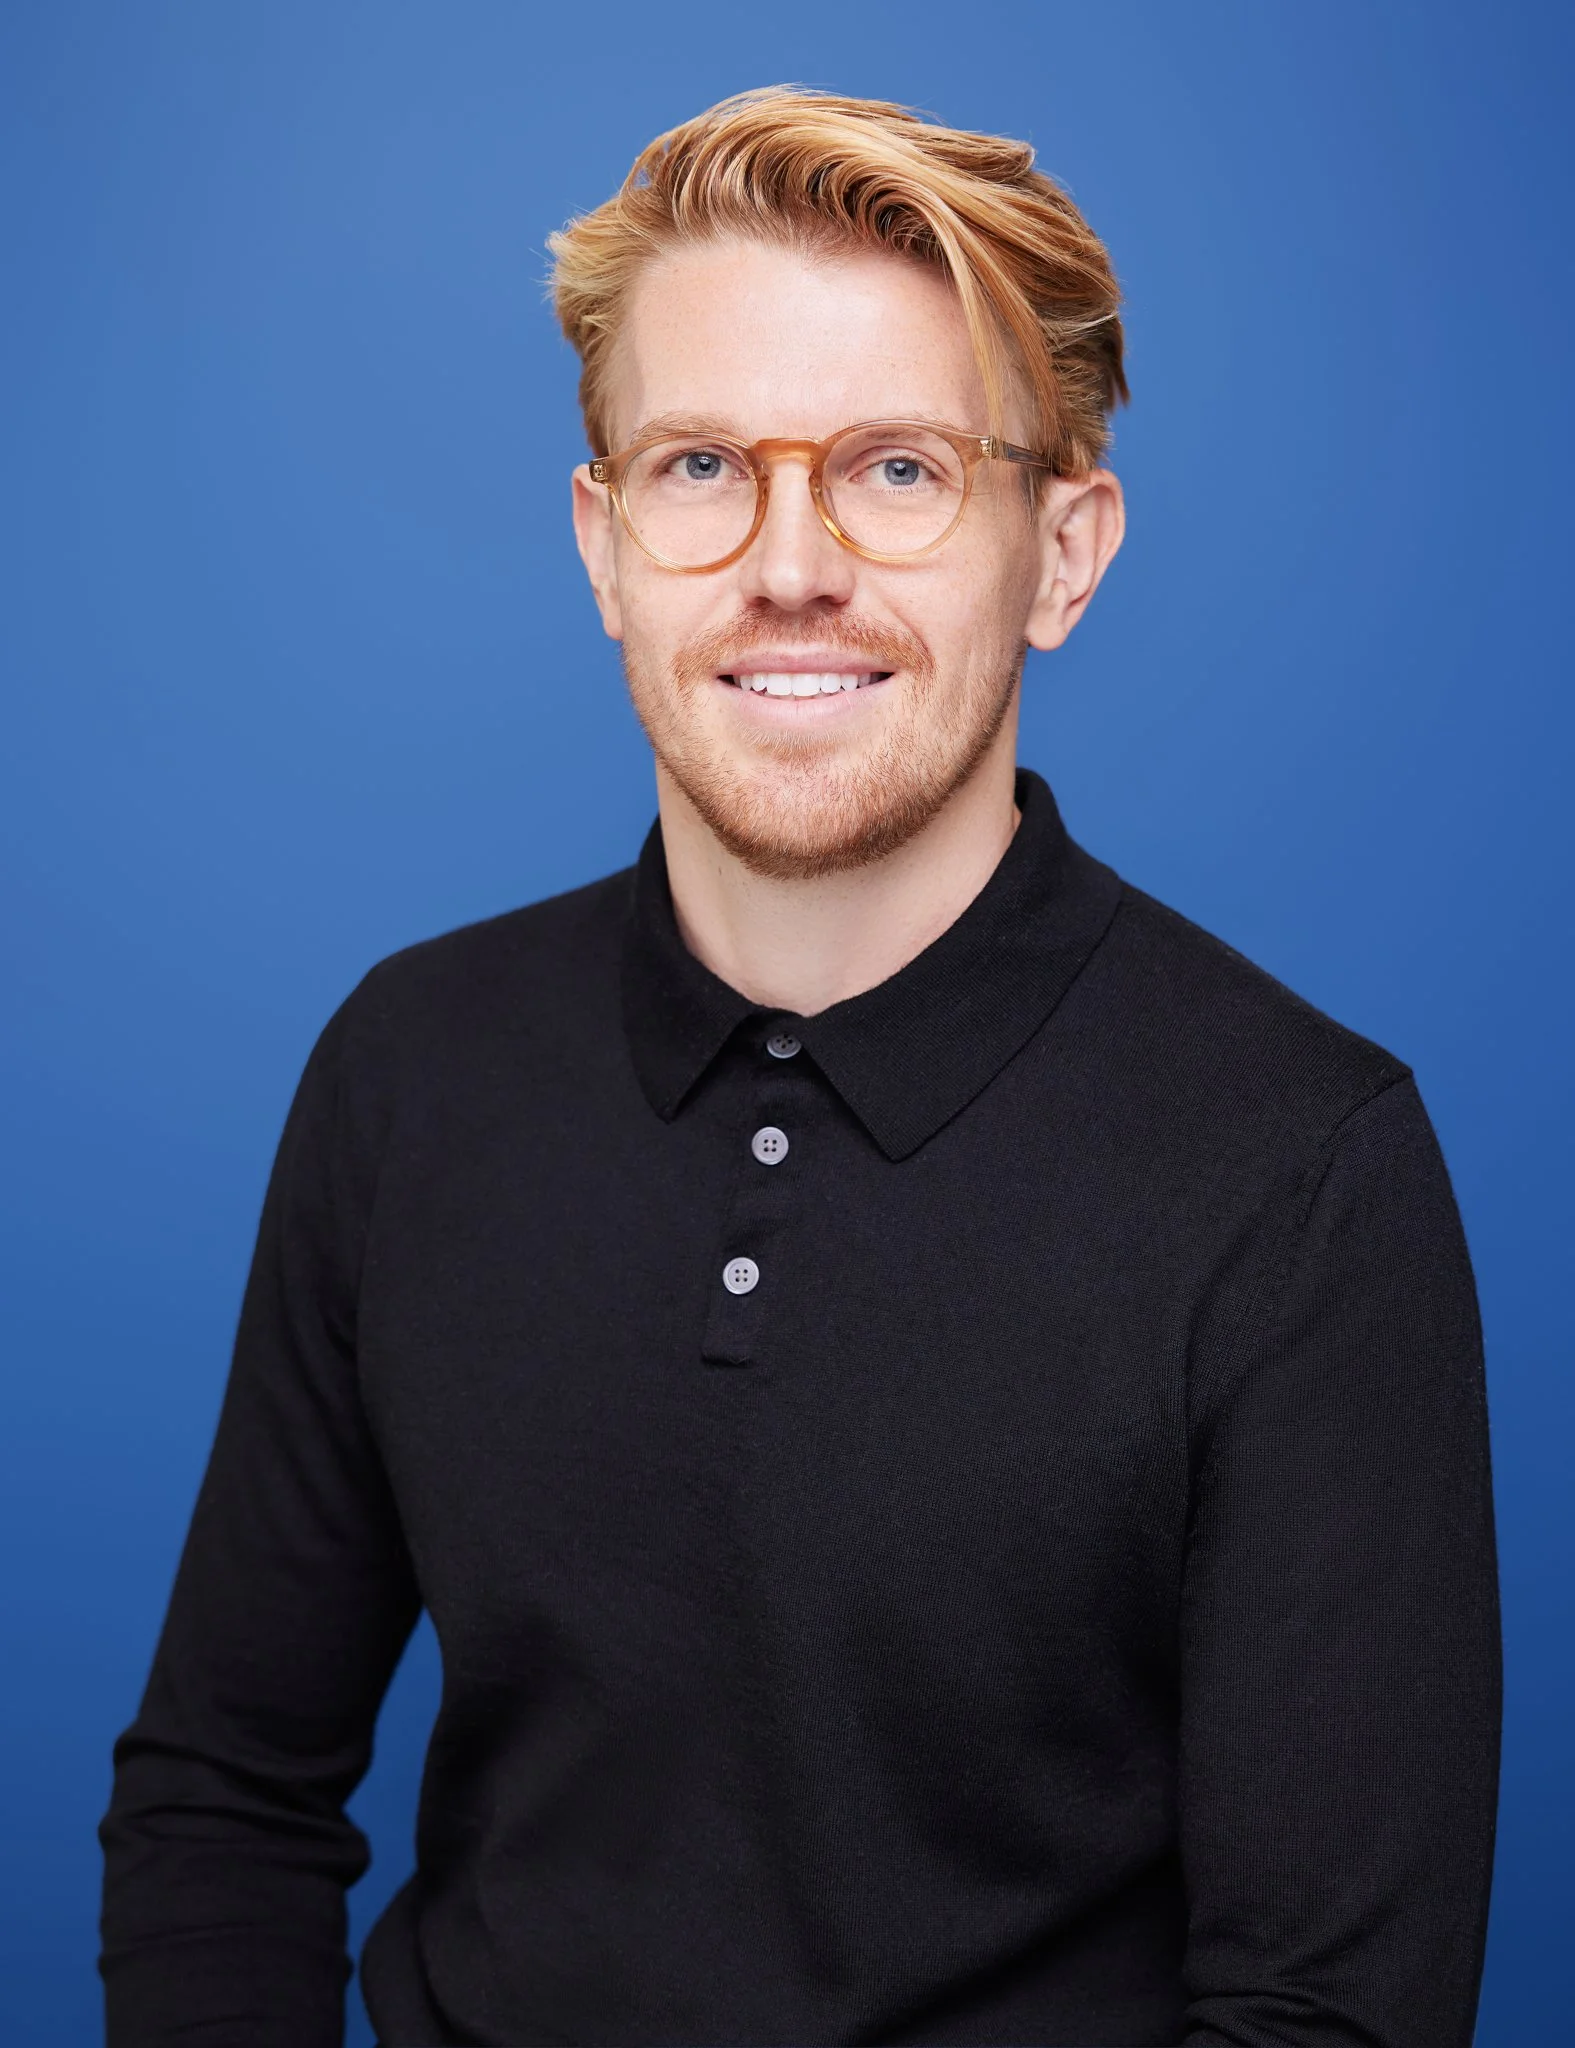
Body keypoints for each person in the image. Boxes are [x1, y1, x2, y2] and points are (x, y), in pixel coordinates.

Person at [99, 87, 1502, 2048]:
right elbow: (221, 1801)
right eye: (699, 467)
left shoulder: (1299, 1168)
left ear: (1063, 547)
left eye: (900, 471)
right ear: (604, 543)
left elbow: (1322, 2014)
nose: (788, 562)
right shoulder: (408, 1071)